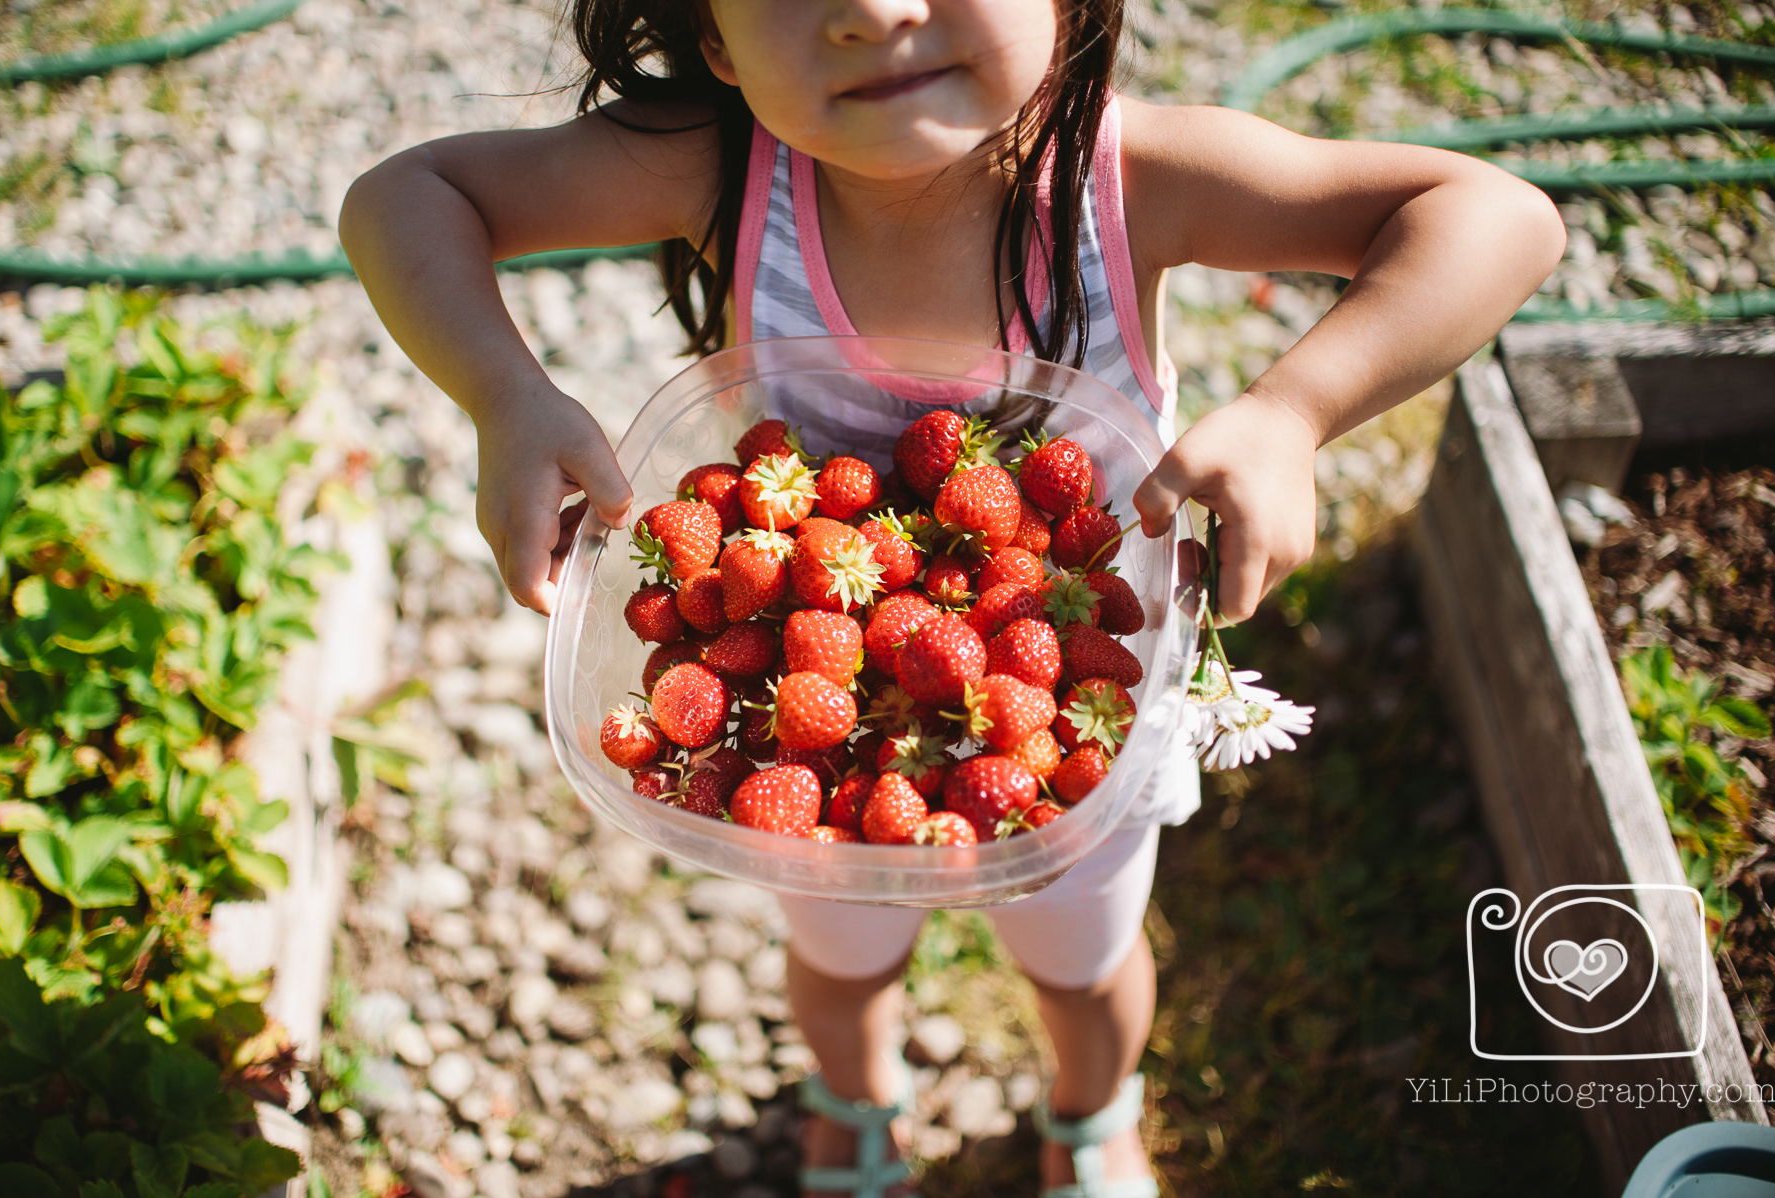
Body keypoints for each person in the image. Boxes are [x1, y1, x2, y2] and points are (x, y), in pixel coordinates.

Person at [340, 2, 1565, 1194]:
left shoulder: (1131, 177)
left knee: (1083, 970)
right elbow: (404, 197)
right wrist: (505, 395)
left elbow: (1495, 217)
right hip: (812, 730)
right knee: (839, 963)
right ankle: (854, 1106)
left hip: (1077, 713)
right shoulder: (721, 164)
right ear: (714, 35)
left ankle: (1092, 1119)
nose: (873, 11)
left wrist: (1296, 409)